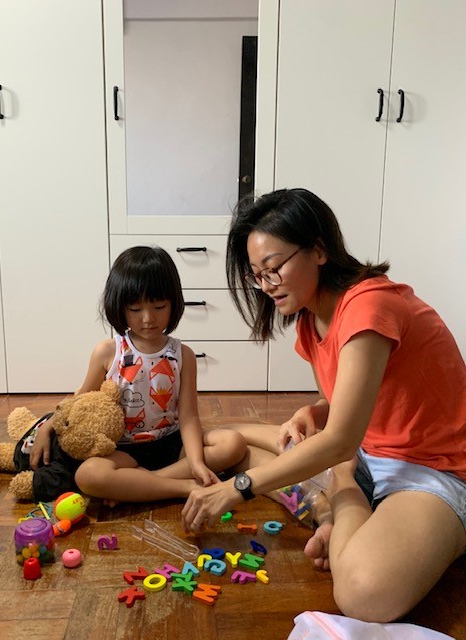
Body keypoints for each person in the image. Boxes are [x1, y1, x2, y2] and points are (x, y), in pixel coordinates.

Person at [181, 188, 466, 623]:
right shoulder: (312, 321)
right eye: (258, 274)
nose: (266, 284)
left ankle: (340, 494)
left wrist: (238, 490)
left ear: (318, 250)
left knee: (364, 594)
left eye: (274, 267)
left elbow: (340, 441)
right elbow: (349, 400)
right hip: (370, 452)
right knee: (234, 443)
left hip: (434, 469)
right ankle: (332, 510)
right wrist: (315, 411)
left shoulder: (370, 304)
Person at [30, 246, 246, 505]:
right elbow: (80, 401)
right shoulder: (108, 352)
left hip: (170, 444)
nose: (148, 318)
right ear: (120, 307)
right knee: (88, 475)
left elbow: (189, 416)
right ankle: (183, 487)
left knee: (232, 443)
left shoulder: (183, 354)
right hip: (125, 451)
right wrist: (47, 427)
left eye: (159, 306)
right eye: (135, 309)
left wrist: (197, 462)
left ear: (174, 303)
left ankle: (140, 485)